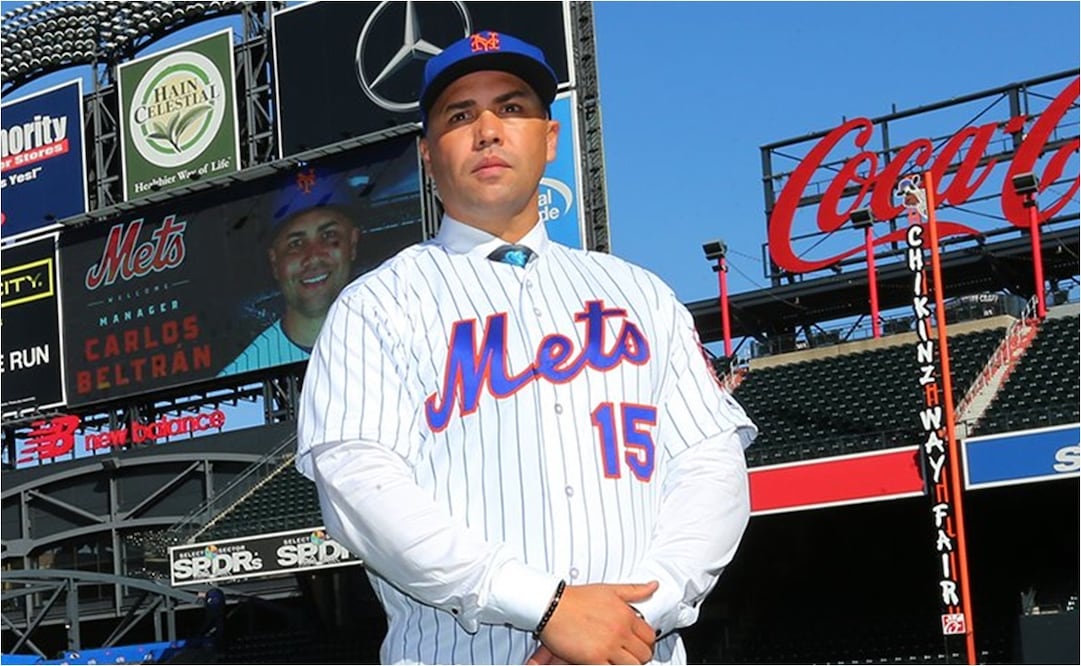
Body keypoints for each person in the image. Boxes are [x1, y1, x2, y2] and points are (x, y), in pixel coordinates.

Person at [296, 30, 756, 665]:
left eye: (511, 108)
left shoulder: (641, 295)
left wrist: (636, 614)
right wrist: (545, 606)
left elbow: (710, 470)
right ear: (428, 156)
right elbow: (362, 490)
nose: (488, 130)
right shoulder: (376, 306)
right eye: (461, 116)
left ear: (550, 138)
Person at [219, 168, 361, 377]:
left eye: (329, 235)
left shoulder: (398, 339)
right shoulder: (239, 375)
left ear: (353, 243)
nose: (313, 257)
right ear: (275, 262)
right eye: (296, 243)